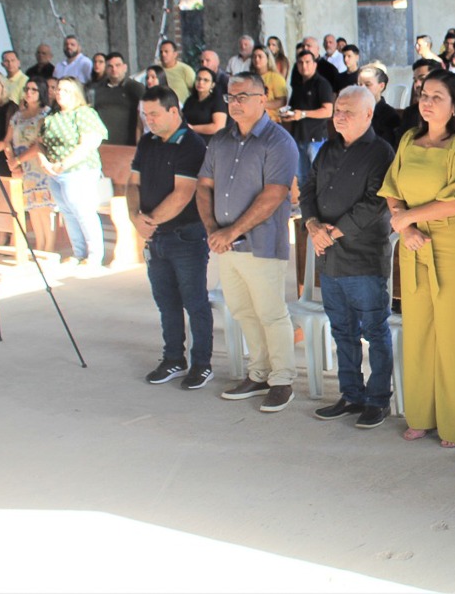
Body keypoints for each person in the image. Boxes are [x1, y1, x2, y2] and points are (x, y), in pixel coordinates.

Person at [379, 71, 455, 446]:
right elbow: (392, 188)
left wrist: (408, 217)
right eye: (424, 94)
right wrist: (405, 227)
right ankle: (420, 414)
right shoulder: (408, 139)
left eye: (438, 96)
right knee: (418, 333)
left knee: (454, 336)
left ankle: (454, 423)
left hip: (454, 246)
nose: (427, 101)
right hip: (414, 245)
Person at [197, 72, 298, 413]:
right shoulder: (221, 140)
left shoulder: (278, 141)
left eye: (242, 97)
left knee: (270, 312)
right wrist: (214, 228)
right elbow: (204, 186)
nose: (235, 103)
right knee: (242, 310)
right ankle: (259, 373)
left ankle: (282, 380)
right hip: (226, 244)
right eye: (230, 97)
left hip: (262, 243)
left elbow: (274, 195)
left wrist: (231, 231)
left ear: (262, 97)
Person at [301, 86, 396, 429]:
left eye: (347, 112)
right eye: (337, 110)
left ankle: (378, 399)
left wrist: (331, 232)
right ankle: (351, 394)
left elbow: (375, 203)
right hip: (329, 258)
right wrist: (313, 225)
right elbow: (307, 189)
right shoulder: (327, 148)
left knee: (374, 330)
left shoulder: (381, 152)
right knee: (342, 330)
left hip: (363, 259)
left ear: (368, 115)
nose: (338, 116)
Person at [128, 86, 213, 390]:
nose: (148, 119)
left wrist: (149, 222)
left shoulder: (191, 143)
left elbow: (183, 193)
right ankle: (173, 358)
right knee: (166, 302)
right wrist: (135, 218)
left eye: (153, 113)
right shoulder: (148, 142)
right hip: (155, 237)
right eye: (145, 113)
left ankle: (202, 364)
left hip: (185, 235)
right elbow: (132, 184)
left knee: (195, 302)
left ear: (173, 111)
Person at [40, 77, 108, 265]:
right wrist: (44, 162)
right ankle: (78, 252)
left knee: (83, 211)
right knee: (67, 212)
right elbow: (39, 143)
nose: (60, 93)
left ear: (76, 93)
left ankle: (94, 255)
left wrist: (63, 164)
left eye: (66, 90)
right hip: (55, 171)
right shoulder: (51, 116)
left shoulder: (84, 113)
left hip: (79, 170)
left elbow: (89, 143)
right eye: (58, 89)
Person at [3, 77, 55, 252]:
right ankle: (39, 244)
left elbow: (40, 144)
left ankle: (49, 246)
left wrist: (18, 160)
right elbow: (7, 141)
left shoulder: (46, 113)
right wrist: (12, 162)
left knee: (44, 207)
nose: (29, 93)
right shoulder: (18, 116)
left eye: (34, 90)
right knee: (32, 208)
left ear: (40, 92)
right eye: (27, 89)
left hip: (38, 163)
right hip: (23, 167)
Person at [284, 50, 335, 183]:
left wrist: (304, 114)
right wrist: (287, 115)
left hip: (316, 139)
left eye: (307, 62)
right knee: (301, 178)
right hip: (298, 137)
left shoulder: (322, 84)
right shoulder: (298, 85)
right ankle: (306, 204)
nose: (304, 66)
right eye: (300, 63)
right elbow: (294, 109)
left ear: (314, 64)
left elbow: (328, 111)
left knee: (318, 178)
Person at [92, 52, 145, 146]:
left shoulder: (136, 88)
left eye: (118, 65)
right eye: (110, 66)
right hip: (103, 144)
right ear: (106, 69)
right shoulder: (96, 90)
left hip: (129, 144)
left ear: (125, 67)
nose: (114, 69)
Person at [396, 58, 444, 139]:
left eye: (422, 79)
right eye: (415, 80)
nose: (417, 84)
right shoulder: (410, 113)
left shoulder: (450, 111)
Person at [357, 65, 402, 148]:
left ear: (381, 86)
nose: (362, 88)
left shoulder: (390, 115)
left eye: (367, 84)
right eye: (360, 84)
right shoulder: (354, 111)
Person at [182, 66, 228, 143]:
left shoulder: (218, 101)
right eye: (198, 79)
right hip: (188, 139)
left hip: (208, 142)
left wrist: (192, 128)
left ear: (212, 85)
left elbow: (218, 127)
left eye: (205, 80)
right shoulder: (190, 100)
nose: (201, 82)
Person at [250, 45, 288, 123]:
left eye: (260, 56)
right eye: (254, 57)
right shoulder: (249, 78)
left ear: (267, 58)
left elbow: (282, 101)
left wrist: (259, 105)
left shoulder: (276, 78)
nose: (257, 59)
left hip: (271, 121)